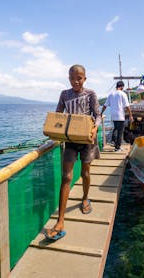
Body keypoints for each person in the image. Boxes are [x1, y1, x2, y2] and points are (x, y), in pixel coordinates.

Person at [45, 64, 101, 241]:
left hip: (86, 140)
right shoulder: (64, 94)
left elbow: (97, 114)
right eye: (72, 78)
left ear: (85, 78)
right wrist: (53, 129)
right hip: (70, 141)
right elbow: (58, 115)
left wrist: (95, 128)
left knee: (85, 173)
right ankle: (60, 221)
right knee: (66, 177)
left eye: (80, 77)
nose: (76, 81)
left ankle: (85, 198)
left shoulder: (90, 93)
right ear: (68, 78)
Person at [101, 80, 133, 152]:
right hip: (120, 114)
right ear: (122, 87)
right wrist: (130, 116)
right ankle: (117, 147)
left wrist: (101, 112)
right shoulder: (123, 94)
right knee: (120, 131)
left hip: (113, 114)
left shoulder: (111, 94)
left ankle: (113, 141)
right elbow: (127, 106)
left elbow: (105, 105)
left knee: (115, 128)